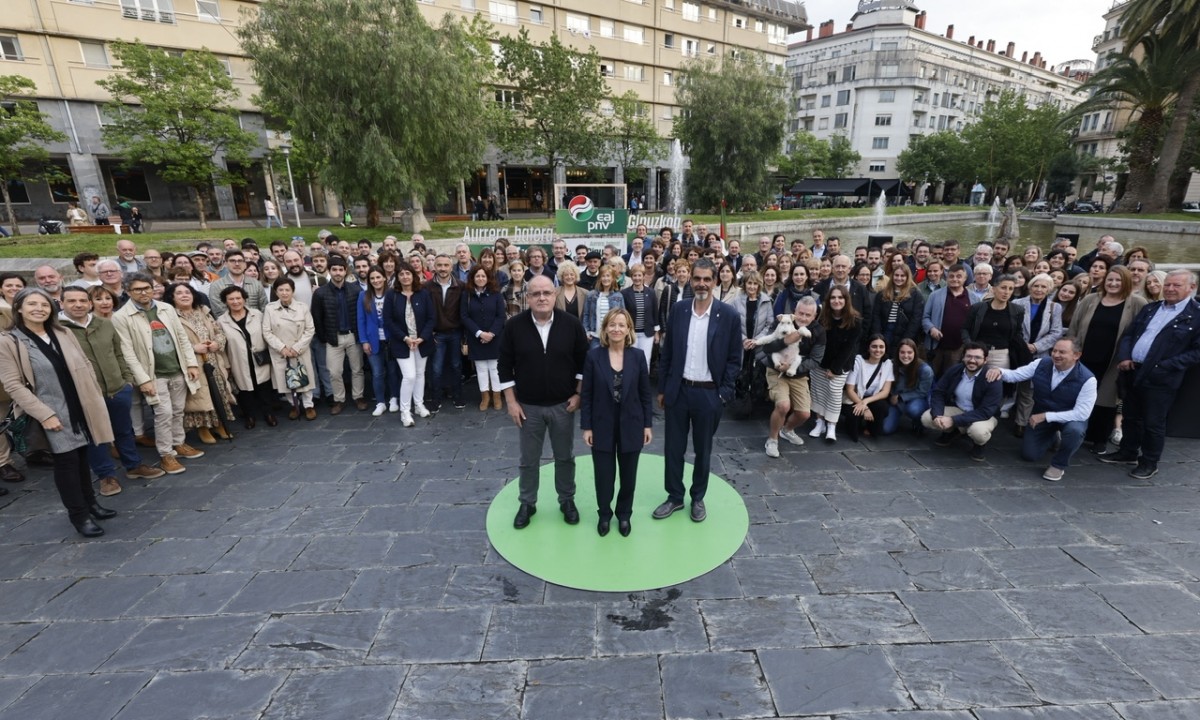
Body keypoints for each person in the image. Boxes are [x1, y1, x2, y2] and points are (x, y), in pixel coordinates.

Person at [0, 288, 119, 536]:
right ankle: (79, 516)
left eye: (44, 304)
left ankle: (91, 504)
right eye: (32, 304)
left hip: (81, 405)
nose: (39, 309)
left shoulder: (61, 331)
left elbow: (84, 364)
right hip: (51, 411)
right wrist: (44, 414)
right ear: (19, 308)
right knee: (66, 463)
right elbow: (12, 384)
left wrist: (95, 395)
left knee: (83, 457)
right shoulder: (9, 341)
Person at [497, 275, 589, 529]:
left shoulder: (571, 324)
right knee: (528, 459)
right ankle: (527, 502)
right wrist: (511, 402)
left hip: (563, 405)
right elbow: (504, 366)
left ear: (554, 295)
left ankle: (567, 500)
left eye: (546, 293)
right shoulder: (514, 326)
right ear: (528, 297)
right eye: (536, 293)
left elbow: (583, 361)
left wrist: (579, 393)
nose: (541, 298)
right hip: (528, 407)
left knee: (565, 457)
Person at [653, 258, 742, 523]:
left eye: (707, 279)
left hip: (709, 395)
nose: (701, 283)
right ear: (690, 280)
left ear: (715, 281)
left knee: (703, 450)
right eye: (697, 278)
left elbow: (735, 359)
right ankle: (675, 497)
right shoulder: (679, 310)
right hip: (678, 392)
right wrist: (664, 389)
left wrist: (723, 393)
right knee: (673, 448)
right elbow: (667, 352)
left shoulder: (728, 316)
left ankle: (698, 497)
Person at [58, 286, 165, 497]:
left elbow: (118, 353)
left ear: (90, 303)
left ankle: (133, 465)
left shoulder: (105, 324)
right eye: (71, 301)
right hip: (86, 394)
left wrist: (126, 381)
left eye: (82, 300)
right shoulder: (57, 331)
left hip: (118, 389)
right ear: (61, 304)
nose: (78, 305)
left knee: (124, 430)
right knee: (96, 436)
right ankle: (106, 475)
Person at [1100, 270, 1200, 479]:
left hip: (1162, 377)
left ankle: (1149, 462)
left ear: (1191, 288)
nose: (1170, 289)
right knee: (1131, 416)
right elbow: (1130, 334)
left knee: (1153, 422)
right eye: (1168, 285)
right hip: (1132, 370)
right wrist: (1125, 355)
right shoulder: (1151, 308)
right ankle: (1128, 452)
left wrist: (1166, 366)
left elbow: (1196, 352)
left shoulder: (1196, 315)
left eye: (1176, 285)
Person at [112, 273, 204, 475]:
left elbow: (181, 337)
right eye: (138, 289)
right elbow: (127, 352)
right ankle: (166, 454)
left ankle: (179, 443)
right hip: (153, 374)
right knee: (163, 413)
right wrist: (143, 379)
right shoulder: (121, 317)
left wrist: (191, 363)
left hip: (176, 368)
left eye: (147, 287)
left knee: (179, 409)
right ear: (128, 291)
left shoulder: (166, 308)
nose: (144, 292)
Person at [581, 308, 653, 538]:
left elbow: (645, 394)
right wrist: (587, 427)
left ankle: (624, 515)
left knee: (628, 476)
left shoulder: (638, 357)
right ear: (604, 329)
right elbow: (587, 395)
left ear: (629, 329)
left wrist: (647, 425)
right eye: (612, 325)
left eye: (621, 325)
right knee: (604, 475)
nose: (616, 329)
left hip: (632, 424)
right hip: (601, 425)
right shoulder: (594, 357)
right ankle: (604, 514)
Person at [986, 337, 1096, 481]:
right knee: (1029, 455)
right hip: (1042, 414)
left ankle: (1059, 465)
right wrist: (999, 371)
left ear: (1076, 355)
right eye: (1054, 350)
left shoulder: (1088, 379)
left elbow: (1082, 413)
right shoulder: (1041, 363)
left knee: (1075, 431)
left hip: (1070, 418)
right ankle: (1053, 437)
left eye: (1062, 352)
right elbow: (1017, 374)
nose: (1056, 355)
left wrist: (1046, 416)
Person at [1069, 266, 1146, 452]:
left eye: (1118, 280)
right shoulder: (1090, 300)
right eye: (1110, 280)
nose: (1113, 284)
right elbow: (1074, 327)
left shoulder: (1137, 303)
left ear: (1126, 282)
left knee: (1107, 399)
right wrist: (1072, 351)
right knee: (1079, 395)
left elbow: (1140, 332)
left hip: (1113, 360)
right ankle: (1074, 432)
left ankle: (1099, 438)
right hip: (1084, 356)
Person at [165, 283, 236, 446]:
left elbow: (219, 332)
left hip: (212, 359)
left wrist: (217, 343)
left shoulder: (203, 312)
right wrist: (193, 348)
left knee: (218, 392)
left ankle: (219, 424)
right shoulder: (170, 317)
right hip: (192, 363)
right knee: (198, 396)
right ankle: (202, 427)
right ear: (172, 297)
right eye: (179, 293)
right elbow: (171, 343)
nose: (184, 295)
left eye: (187, 292)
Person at [758, 296, 824, 458]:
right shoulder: (783, 322)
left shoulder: (819, 332)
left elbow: (815, 360)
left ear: (814, 316)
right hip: (776, 368)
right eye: (801, 313)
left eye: (808, 315)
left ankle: (786, 430)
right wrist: (788, 340)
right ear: (794, 312)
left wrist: (794, 368)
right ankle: (772, 440)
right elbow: (767, 347)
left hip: (798, 373)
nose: (803, 318)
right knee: (783, 406)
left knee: (804, 414)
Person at [922, 341, 1003, 461]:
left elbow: (986, 411)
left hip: (983, 415)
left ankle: (979, 445)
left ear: (985, 360)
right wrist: (938, 415)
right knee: (927, 418)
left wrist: (953, 420)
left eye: (977, 357)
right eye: (969, 356)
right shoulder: (955, 370)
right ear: (963, 357)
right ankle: (952, 431)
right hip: (959, 409)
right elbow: (938, 392)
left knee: (978, 432)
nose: (972, 360)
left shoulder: (992, 378)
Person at [1011, 274, 1065, 436]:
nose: (1039, 289)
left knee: (1028, 390)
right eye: (1036, 286)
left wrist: (1035, 346)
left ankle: (1021, 422)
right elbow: (1012, 328)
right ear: (1030, 287)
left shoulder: (1054, 308)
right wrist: (1023, 345)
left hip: (1038, 354)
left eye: (1043, 287)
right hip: (1017, 351)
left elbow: (1056, 332)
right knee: (1008, 385)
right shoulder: (1017, 303)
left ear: (1049, 289)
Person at [216, 286, 277, 429]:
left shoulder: (257, 314)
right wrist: (226, 364)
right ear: (225, 301)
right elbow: (222, 345)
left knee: (264, 387)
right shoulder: (221, 321)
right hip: (237, 359)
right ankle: (249, 416)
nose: (235, 302)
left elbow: (267, 334)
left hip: (259, 357)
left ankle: (269, 413)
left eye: (238, 298)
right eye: (231, 299)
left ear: (244, 299)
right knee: (244, 390)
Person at [311, 257, 367, 414]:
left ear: (345, 271)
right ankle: (339, 399)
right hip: (333, 337)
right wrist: (324, 337)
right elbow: (317, 317)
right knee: (334, 372)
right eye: (334, 269)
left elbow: (362, 314)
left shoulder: (356, 290)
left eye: (340, 270)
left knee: (357, 369)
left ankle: (358, 396)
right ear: (329, 271)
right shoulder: (320, 293)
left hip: (352, 335)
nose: (337, 273)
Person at [384, 262, 435, 427]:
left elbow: (431, 318)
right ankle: (405, 411)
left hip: (421, 342)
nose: (405, 277)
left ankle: (419, 405)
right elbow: (388, 321)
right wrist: (405, 338)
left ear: (413, 275)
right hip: (402, 343)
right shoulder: (392, 295)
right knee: (409, 376)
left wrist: (422, 338)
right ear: (397, 277)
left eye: (408, 273)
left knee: (420, 374)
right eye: (401, 274)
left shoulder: (423, 293)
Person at [263, 277, 319, 421]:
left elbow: (310, 329)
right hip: (281, 352)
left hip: (300, 349)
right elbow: (267, 332)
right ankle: (294, 405)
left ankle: (308, 405)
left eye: (287, 290)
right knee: (285, 379)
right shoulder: (270, 308)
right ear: (276, 291)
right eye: (281, 290)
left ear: (292, 291)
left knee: (304, 377)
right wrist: (282, 348)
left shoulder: (302, 307)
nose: (284, 293)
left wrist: (297, 347)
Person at [462, 265, 506, 412]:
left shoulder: (496, 294)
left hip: (495, 337)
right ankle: (485, 396)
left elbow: (501, 316)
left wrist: (491, 333)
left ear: (488, 278)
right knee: (481, 369)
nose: (480, 279)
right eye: (477, 276)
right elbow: (464, 316)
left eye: (483, 276)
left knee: (494, 368)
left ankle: (497, 396)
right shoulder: (467, 294)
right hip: (476, 337)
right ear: (473, 278)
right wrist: (479, 333)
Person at [841, 334, 894, 441]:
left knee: (882, 407)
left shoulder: (888, 364)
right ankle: (855, 422)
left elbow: (885, 392)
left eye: (881, 347)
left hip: (872, 398)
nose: (878, 350)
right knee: (854, 434)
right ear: (868, 348)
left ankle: (871, 427)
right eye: (874, 346)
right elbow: (850, 389)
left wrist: (865, 402)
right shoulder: (858, 361)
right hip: (854, 397)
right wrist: (864, 407)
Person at [882, 338, 933, 435]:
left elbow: (923, 391)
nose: (906, 356)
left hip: (916, 399)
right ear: (898, 353)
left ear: (915, 353)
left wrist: (901, 397)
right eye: (902, 352)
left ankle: (919, 422)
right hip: (895, 401)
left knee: (913, 409)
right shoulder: (891, 364)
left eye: (909, 352)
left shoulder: (925, 369)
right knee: (885, 429)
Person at [872, 263, 924, 349]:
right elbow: (876, 316)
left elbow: (916, 319)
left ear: (907, 277)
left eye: (902, 276)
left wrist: (906, 339)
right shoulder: (882, 294)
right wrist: (877, 335)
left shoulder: (915, 295)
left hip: (904, 333)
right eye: (896, 275)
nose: (899, 278)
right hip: (885, 331)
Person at [621, 263, 658, 372]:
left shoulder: (651, 292)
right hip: (631, 333)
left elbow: (655, 312)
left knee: (645, 360)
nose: (637, 278)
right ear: (631, 277)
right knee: (630, 361)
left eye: (639, 275)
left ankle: (643, 386)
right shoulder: (625, 293)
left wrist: (656, 332)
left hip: (647, 334)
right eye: (634, 276)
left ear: (643, 276)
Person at [582, 266, 626, 349]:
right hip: (595, 336)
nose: (606, 279)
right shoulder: (591, 295)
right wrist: (586, 331)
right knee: (595, 360)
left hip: (613, 336)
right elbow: (586, 314)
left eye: (608, 276)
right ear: (600, 278)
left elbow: (623, 317)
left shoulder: (619, 296)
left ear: (613, 278)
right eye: (603, 276)